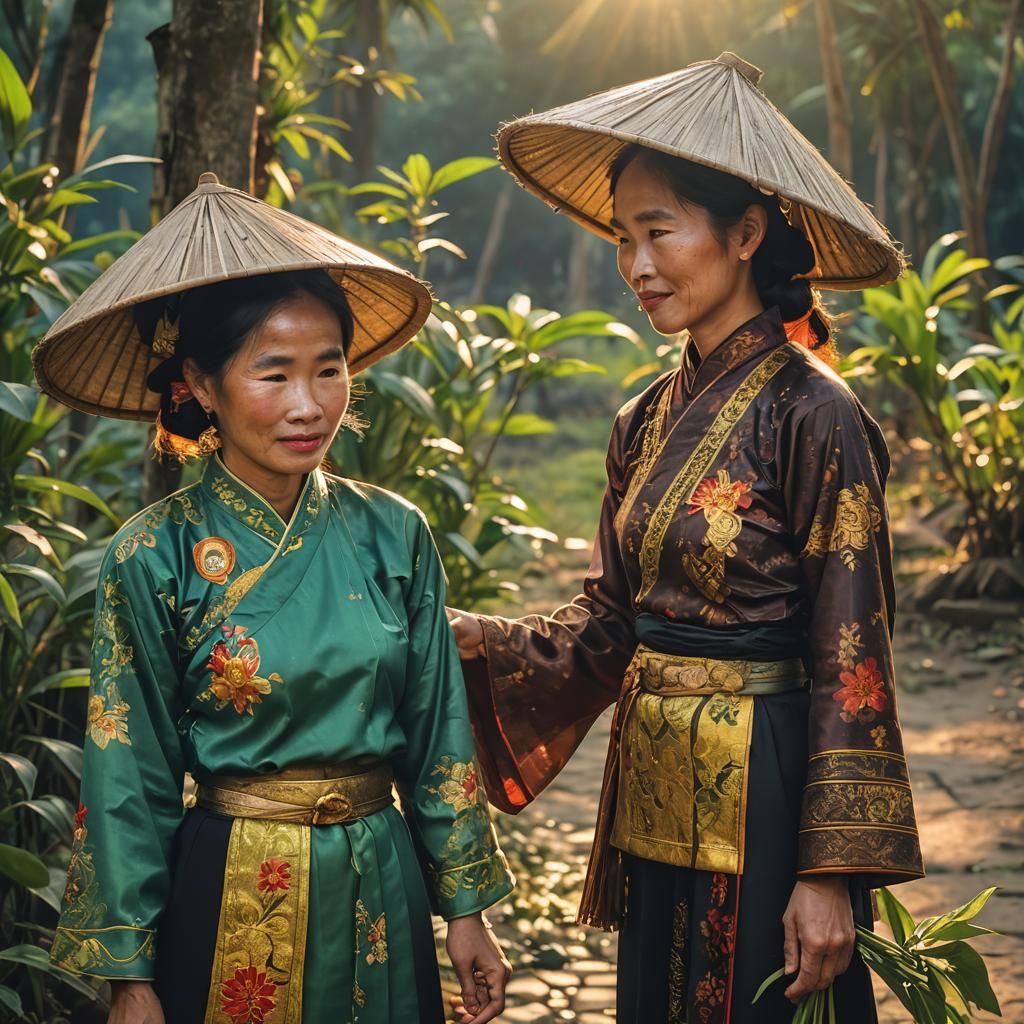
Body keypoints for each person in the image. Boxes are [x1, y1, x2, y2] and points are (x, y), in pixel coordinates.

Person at [450, 54, 923, 1023]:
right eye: (624, 237)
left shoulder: (816, 415)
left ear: (745, 234)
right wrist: (464, 637)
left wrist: (828, 873)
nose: (637, 266)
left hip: (768, 786)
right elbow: (606, 625)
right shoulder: (640, 423)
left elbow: (852, 655)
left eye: (658, 231)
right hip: (656, 789)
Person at [37, 174, 513, 1023]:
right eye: (274, 374)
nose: (308, 405)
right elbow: (128, 774)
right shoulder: (155, 554)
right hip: (233, 886)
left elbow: (438, 731)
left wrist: (466, 911)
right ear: (202, 383)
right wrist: (129, 975)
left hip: (381, 879)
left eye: (329, 370)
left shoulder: (394, 534)